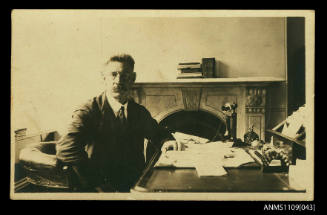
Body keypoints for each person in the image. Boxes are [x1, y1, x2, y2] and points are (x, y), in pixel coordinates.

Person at [56, 54, 180, 192]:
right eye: (113, 75)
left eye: (125, 75)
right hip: (100, 188)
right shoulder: (89, 110)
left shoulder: (138, 111)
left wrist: (167, 141)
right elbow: (66, 148)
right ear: (104, 77)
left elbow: (158, 134)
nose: (118, 81)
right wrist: (96, 184)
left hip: (134, 185)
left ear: (132, 79)